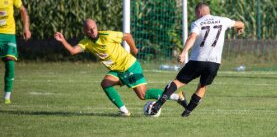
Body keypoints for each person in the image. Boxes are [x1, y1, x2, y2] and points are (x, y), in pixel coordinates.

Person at [54, 19, 187, 116]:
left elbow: (127, 36)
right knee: (105, 83)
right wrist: (63, 40)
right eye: (89, 29)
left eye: (94, 27)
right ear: (85, 31)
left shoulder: (107, 35)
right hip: (118, 70)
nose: (93, 30)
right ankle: (124, 111)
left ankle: (177, 97)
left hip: (129, 66)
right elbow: (73, 51)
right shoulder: (87, 43)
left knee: (143, 95)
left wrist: (134, 49)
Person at [149, 2, 245, 117]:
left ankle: (159, 104)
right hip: (214, 62)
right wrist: (240, 28)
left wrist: (184, 53)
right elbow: (241, 23)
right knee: (202, 86)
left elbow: (192, 37)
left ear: (199, 12)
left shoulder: (197, 23)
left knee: (178, 82)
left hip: (197, 60)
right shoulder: (223, 20)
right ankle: (186, 113)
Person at [0, 0, 31, 104]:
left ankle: (7, 96)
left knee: (10, 63)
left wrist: (26, 28)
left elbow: (23, 10)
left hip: (9, 35)